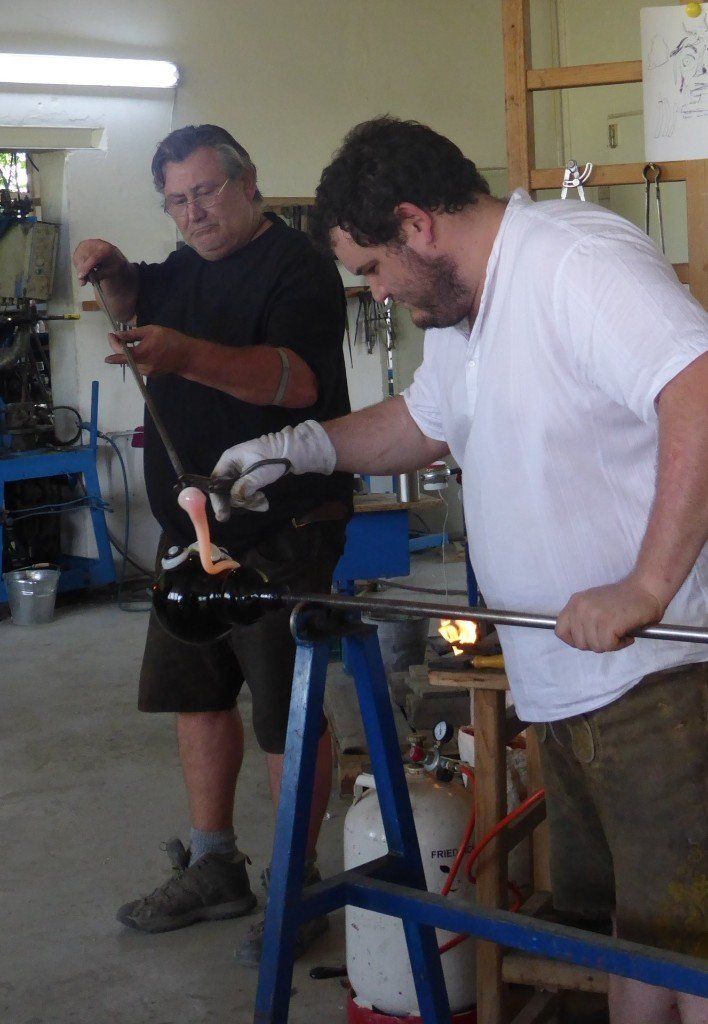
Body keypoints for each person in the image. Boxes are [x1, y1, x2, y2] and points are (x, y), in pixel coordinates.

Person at [208, 118, 707, 1021]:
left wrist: (646, 585)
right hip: (568, 677)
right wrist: (301, 447)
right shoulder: (461, 313)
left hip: (660, 677)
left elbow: (698, 389)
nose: (377, 291)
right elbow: (425, 423)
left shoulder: (572, 262)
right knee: (640, 931)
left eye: (373, 268)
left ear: (417, 224)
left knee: (695, 944)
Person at [72, 124, 352, 964]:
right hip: (188, 534)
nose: (193, 213)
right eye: (176, 201)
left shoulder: (299, 267)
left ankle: (297, 883)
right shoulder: (181, 270)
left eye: (205, 193)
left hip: (283, 529)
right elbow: (140, 295)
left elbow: (296, 382)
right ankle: (214, 863)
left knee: (283, 711)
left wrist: (187, 356)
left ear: (248, 180)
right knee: (196, 693)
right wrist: (114, 273)